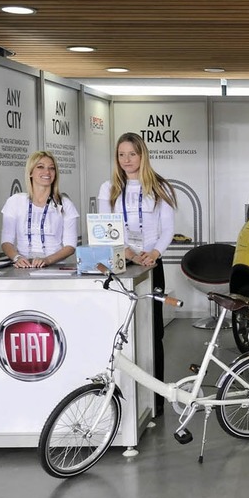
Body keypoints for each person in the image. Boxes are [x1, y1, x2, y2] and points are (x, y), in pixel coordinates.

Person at [98, 132, 176, 416]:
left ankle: (155, 400)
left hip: (153, 264)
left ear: (142, 155)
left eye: (132, 154)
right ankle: (121, 398)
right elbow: (105, 228)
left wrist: (153, 254)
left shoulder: (159, 187)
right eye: (121, 154)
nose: (127, 160)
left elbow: (167, 229)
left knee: (152, 331)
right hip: (122, 262)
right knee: (122, 329)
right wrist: (129, 253)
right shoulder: (109, 188)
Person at [1, 150, 79, 268]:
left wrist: (47, 260)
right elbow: (6, 241)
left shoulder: (65, 204)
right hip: (23, 268)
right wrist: (17, 258)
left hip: (54, 268)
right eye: (40, 167)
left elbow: (70, 246)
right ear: (31, 172)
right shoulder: (15, 201)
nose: (47, 172)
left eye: (51, 168)